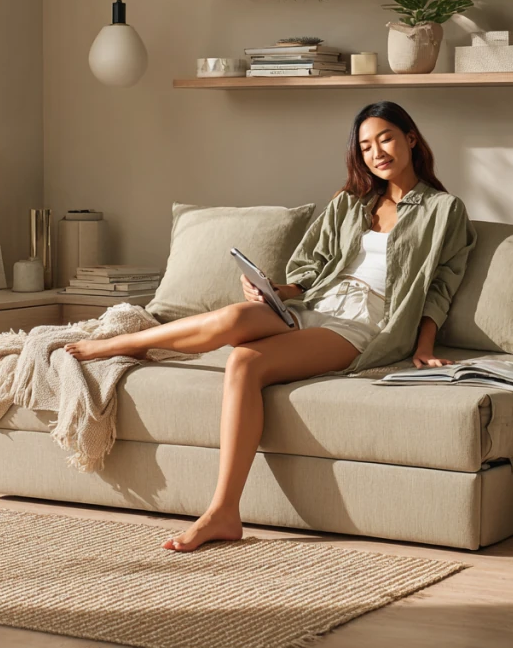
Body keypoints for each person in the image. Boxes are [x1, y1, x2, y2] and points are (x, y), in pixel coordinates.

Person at [65, 100, 477, 551]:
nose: (376, 152)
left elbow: (441, 285)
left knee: (244, 361)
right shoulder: (349, 203)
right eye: (365, 146)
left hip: (364, 324)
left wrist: (424, 345)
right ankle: (129, 343)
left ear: (410, 139)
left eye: (385, 139)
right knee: (233, 316)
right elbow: (311, 267)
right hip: (316, 306)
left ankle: (223, 511)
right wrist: (276, 290)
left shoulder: (444, 210)